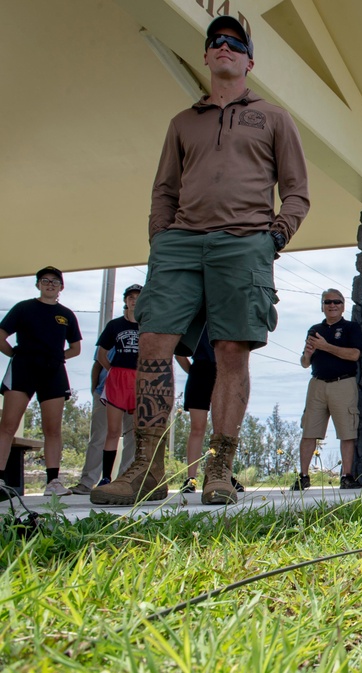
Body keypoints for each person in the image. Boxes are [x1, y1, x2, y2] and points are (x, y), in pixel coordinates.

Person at [91, 15, 309, 506]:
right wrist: (160, 240)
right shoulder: (182, 122)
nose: (224, 46)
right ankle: (146, 469)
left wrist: (272, 239)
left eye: (235, 42)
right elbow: (163, 190)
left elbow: (296, 191)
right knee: (152, 343)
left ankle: (219, 471)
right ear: (207, 57)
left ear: (249, 61)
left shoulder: (274, 118)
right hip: (180, 243)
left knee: (232, 351)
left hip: (245, 242)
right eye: (216, 42)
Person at [0, 266, 82, 498]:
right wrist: (15, 355)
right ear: (38, 284)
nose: (50, 285)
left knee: (53, 429)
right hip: (23, 367)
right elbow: (1, 336)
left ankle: (53, 482)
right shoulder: (23, 308)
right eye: (45, 281)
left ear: (61, 287)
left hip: (53, 370)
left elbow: (76, 349)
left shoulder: (66, 314)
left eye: (55, 282)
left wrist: (56, 358)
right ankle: (0, 479)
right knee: (8, 425)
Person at [291, 289, 361, 491]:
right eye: (327, 302)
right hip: (317, 384)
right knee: (308, 431)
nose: (332, 305)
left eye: (336, 302)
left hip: (343, 383)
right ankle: (303, 476)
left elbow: (354, 354)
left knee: (347, 432)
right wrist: (308, 354)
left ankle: (347, 476)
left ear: (343, 305)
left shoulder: (350, 328)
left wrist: (326, 346)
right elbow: (305, 363)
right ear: (322, 306)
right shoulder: (314, 329)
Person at [175, 330, 245, 494]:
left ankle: (224, 474)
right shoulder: (197, 318)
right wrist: (194, 372)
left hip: (225, 370)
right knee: (197, 427)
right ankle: (190, 479)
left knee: (224, 430)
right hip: (200, 370)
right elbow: (179, 353)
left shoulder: (227, 318)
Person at [69, 348, 137, 495]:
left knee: (133, 437)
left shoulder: (145, 334)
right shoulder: (113, 330)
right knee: (99, 436)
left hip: (134, 392)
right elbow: (98, 364)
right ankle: (87, 482)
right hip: (106, 391)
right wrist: (95, 390)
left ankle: (124, 481)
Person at [95, 285, 142, 485]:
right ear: (125, 301)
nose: (134, 301)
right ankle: (106, 477)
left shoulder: (148, 326)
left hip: (139, 379)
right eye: (130, 297)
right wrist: (112, 371)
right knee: (113, 430)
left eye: (138, 297)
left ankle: (128, 476)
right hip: (118, 377)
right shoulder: (115, 325)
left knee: (134, 431)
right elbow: (101, 354)